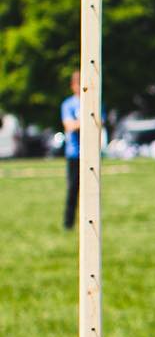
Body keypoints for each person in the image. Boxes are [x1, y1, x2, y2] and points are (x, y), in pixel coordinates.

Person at [61, 70, 81, 230]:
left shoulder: (95, 102)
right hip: (74, 153)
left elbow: (100, 123)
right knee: (72, 190)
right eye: (78, 84)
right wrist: (85, 121)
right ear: (73, 86)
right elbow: (69, 126)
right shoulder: (68, 104)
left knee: (92, 191)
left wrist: (78, 123)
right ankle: (69, 224)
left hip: (92, 154)